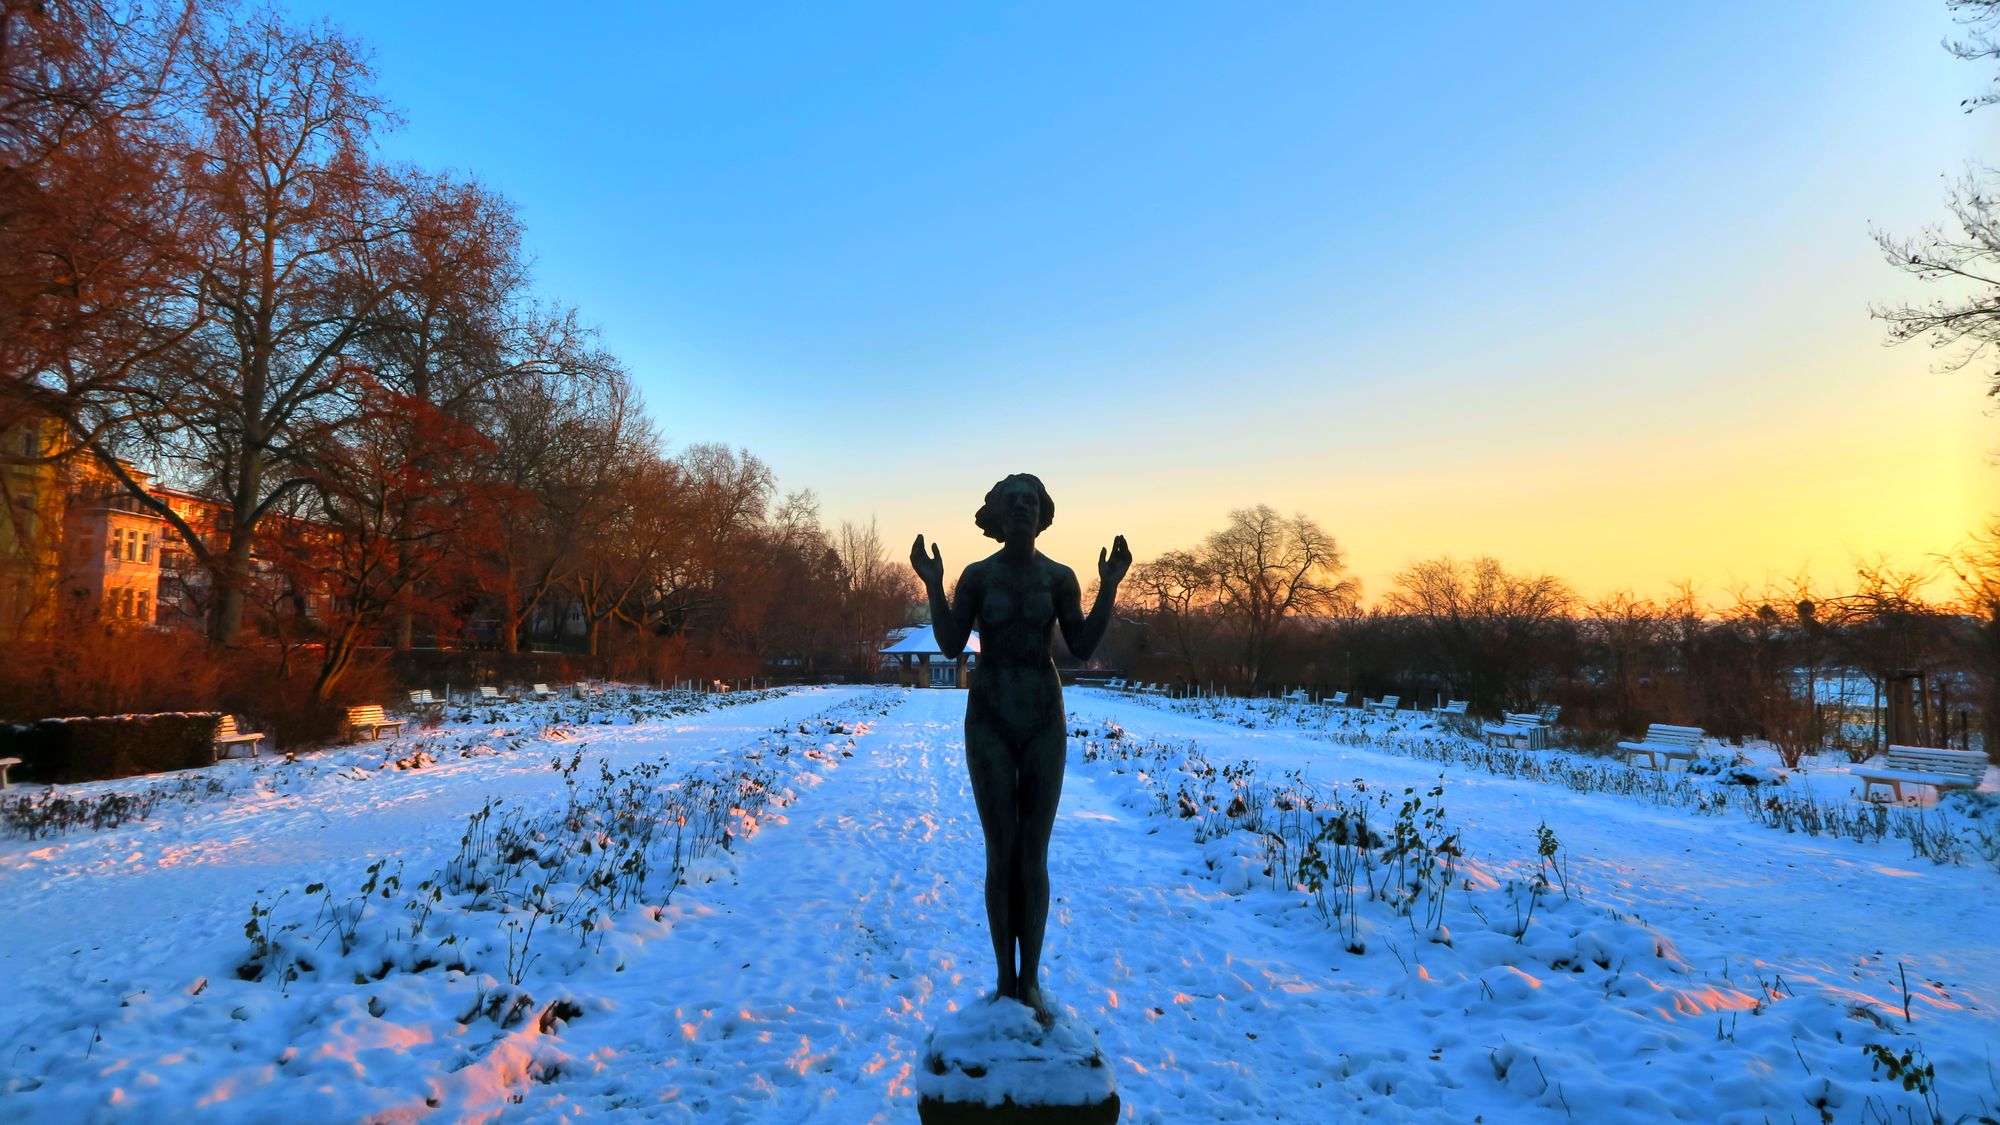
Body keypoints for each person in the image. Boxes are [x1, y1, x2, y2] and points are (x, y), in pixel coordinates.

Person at [910, 473, 1130, 1023]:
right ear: (998, 515)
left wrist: (1109, 587)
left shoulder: (1059, 577)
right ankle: (1004, 980)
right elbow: (951, 642)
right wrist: (934, 585)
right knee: (1000, 850)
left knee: (1033, 852)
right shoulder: (978, 576)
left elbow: (1080, 645)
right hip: (988, 715)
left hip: (1041, 716)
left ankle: (1028, 981)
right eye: (1013, 501)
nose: (1023, 509)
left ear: (1044, 512)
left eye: (1032, 501)